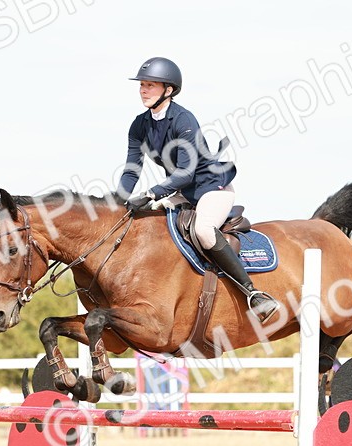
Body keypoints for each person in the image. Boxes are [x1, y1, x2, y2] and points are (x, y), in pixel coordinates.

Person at [117, 57, 279, 322]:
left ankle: (253, 293)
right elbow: (131, 169)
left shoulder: (183, 120)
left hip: (211, 187)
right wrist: (119, 200)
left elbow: (186, 172)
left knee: (204, 230)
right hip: (180, 191)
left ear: (168, 90)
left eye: (150, 85)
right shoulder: (139, 125)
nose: (143, 90)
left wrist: (150, 194)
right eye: (142, 85)